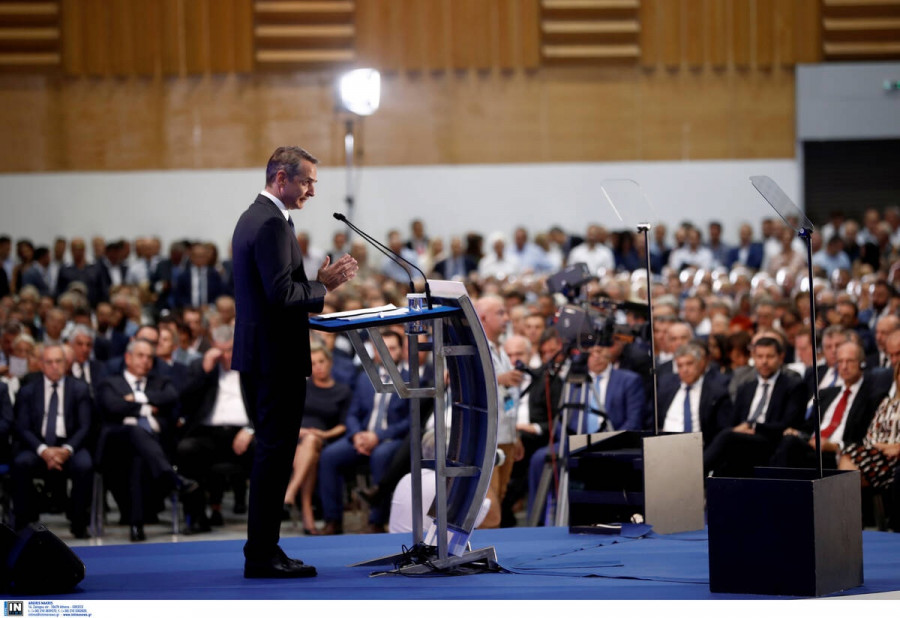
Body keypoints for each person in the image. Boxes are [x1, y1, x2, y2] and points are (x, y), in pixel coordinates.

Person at [231, 146, 357, 578]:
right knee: (273, 456)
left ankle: (265, 550)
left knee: (274, 455)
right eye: (307, 182)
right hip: (274, 360)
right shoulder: (268, 223)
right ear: (281, 178)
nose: (312, 192)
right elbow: (281, 295)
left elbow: (276, 289)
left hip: (265, 355)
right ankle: (261, 556)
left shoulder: (260, 217)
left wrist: (316, 286)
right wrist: (323, 286)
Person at [95, 338, 191, 542]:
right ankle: (171, 477)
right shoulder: (110, 382)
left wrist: (138, 398)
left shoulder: (161, 382)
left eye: (149, 357)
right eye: (140, 355)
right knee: (134, 431)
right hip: (117, 448)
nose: (145, 360)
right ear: (128, 357)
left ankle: (136, 525)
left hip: (155, 448)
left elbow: (171, 397)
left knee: (138, 456)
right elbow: (113, 406)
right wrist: (148, 407)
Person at [176, 324, 256, 533]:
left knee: (267, 448)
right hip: (209, 434)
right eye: (221, 351)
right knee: (186, 449)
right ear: (212, 347)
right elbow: (185, 401)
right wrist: (205, 371)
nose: (226, 356)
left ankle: (264, 520)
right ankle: (196, 517)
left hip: (244, 433)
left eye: (230, 350)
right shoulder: (200, 366)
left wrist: (250, 429)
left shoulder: (251, 365)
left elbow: (265, 403)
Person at [11, 345, 93, 538]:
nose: (54, 366)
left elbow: (85, 426)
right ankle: (23, 523)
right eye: (49, 362)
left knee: (85, 465)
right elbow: (22, 427)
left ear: (66, 364)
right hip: (37, 445)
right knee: (20, 463)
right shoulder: (28, 391)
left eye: (59, 361)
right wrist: (43, 450)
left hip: (70, 444)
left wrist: (66, 450)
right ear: (41, 364)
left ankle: (79, 523)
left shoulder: (79, 389)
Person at [283, 343, 350, 534]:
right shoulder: (301, 386)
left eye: (321, 361)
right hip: (296, 437)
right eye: (313, 363)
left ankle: (291, 491)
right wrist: (298, 431)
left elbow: (344, 424)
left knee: (311, 442)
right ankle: (306, 510)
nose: (318, 366)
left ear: (330, 362)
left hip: (325, 438)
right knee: (309, 454)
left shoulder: (342, 391)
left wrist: (323, 434)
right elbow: (286, 416)